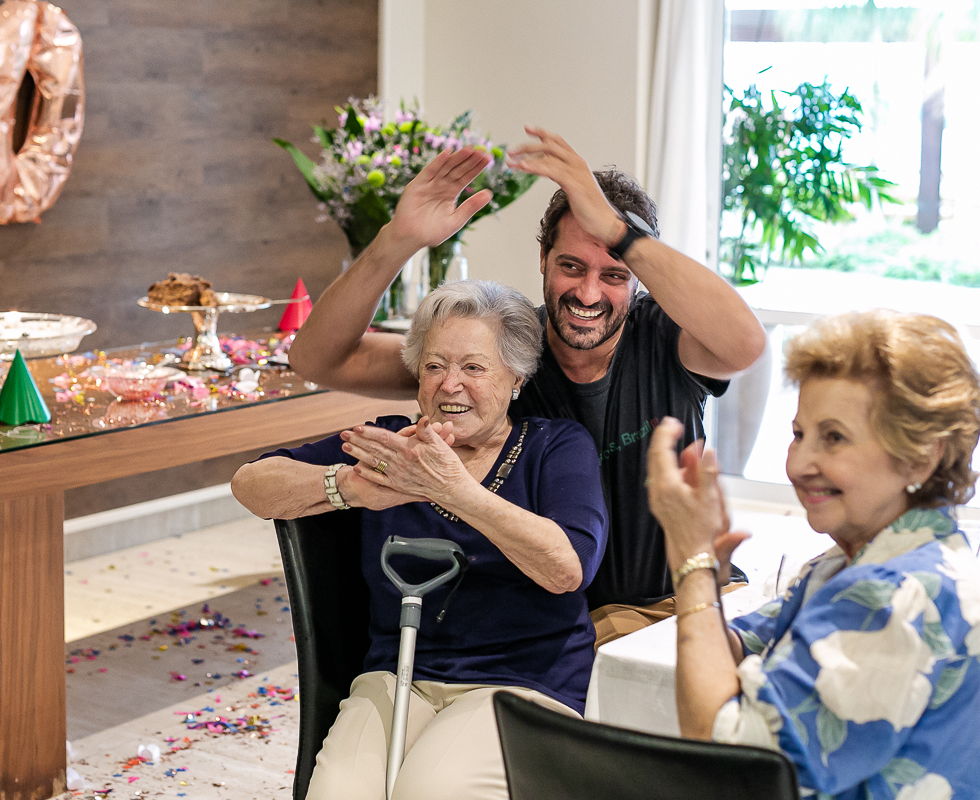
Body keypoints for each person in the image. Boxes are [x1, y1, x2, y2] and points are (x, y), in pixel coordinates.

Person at [288, 127, 767, 645]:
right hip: (569, 625)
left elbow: (745, 346)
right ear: (542, 259)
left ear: (636, 278)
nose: (588, 292)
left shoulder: (667, 337)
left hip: (682, 601)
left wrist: (619, 231)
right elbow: (319, 359)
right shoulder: (502, 356)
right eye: (571, 266)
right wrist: (396, 241)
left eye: (614, 274)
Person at [233, 280, 607, 800]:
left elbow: (567, 568)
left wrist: (454, 489)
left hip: (521, 681)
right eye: (434, 366)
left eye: (474, 368)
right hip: (399, 672)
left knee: (432, 789)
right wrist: (349, 487)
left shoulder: (556, 446)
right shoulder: (388, 446)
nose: (450, 385)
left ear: (517, 378)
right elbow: (250, 484)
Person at [647, 310, 980, 799]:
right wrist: (710, 580)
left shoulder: (896, 595)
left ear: (920, 456)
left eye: (834, 437)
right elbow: (741, 651)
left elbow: (733, 762)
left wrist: (691, 562)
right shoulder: (856, 562)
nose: (799, 464)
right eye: (799, 434)